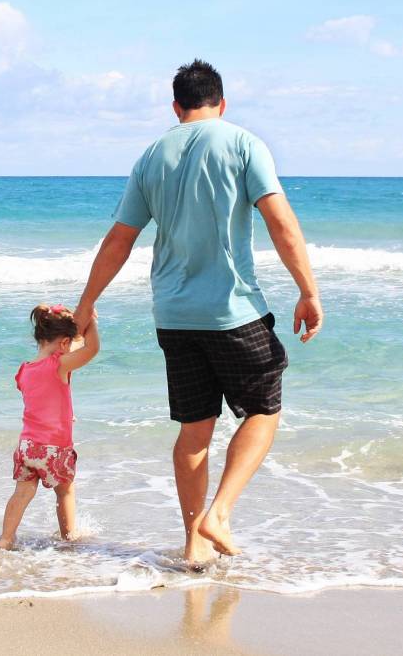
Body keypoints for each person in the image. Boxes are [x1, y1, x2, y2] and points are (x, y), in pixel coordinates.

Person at [73, 59, 323, 565]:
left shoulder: (151, 156)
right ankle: (220, 514)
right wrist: (308, 290)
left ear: (176, 106)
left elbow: (121, 239)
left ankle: (193, 546)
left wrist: (87, 302)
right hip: (231, 310)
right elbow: (280, 222)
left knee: (194, 430)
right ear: (222, 103)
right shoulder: (242, 143)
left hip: (173, 314)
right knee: (264, 410)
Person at [0, 304, 101, 550]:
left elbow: (43, 399)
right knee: (65, 492)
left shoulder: (24, 371)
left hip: (27, 448)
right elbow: (92, 349)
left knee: (22, 493)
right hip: (55, 448)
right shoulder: (59, 365)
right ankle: (69, 538)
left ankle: (5, 540)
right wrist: (91, 323)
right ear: (64, 344)